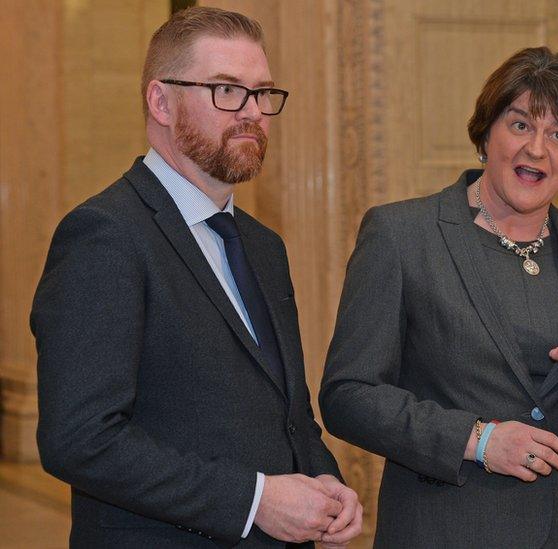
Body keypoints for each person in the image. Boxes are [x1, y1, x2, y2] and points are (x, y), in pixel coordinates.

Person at [31, 7, 362, 547]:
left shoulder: (263, 246)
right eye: (227, 90)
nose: (253, 111)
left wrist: (323, 477)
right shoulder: (103, 235)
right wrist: (254, 500)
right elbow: (80, 439)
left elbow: (286, 412)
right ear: (161, 101)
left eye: (263, 93)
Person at [319, 46, 558, 548]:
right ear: (486, 134)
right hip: (448, 528)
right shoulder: (401, 235)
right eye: (521, 125)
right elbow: (348, 397)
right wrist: (477, 439)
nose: (537, 149)